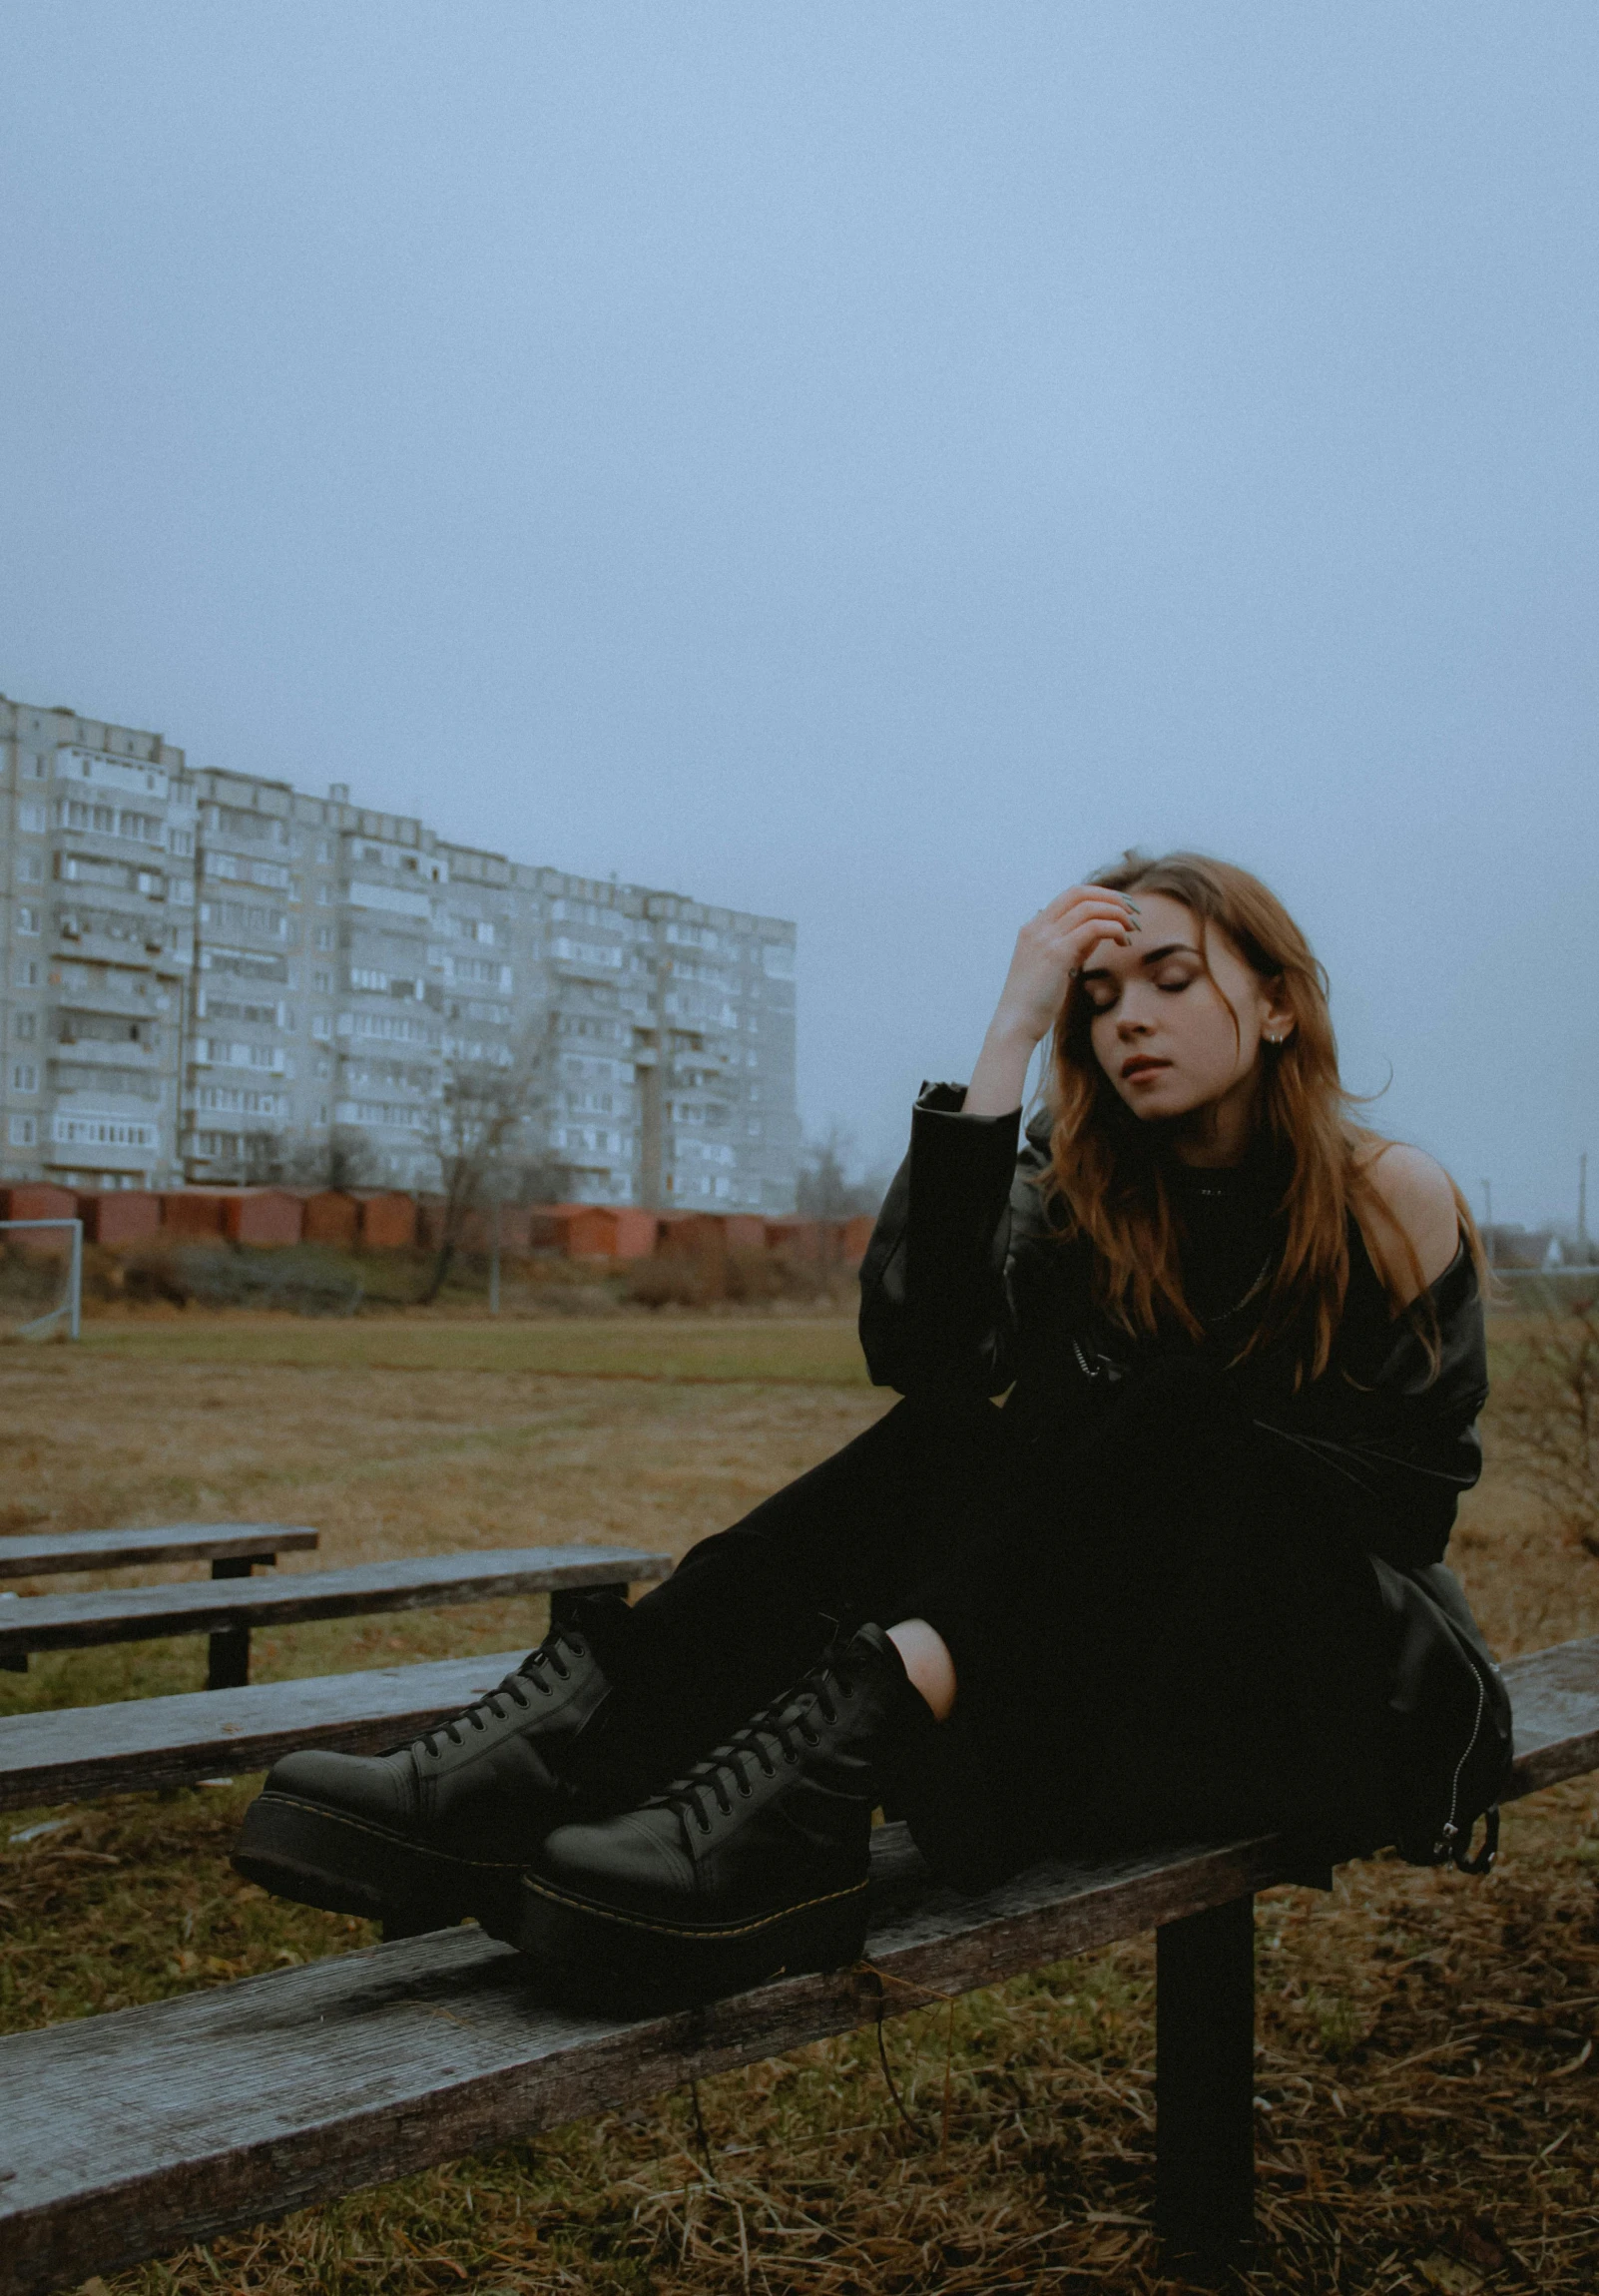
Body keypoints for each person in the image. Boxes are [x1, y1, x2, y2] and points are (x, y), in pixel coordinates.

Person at [235, 852, 1488, 2009]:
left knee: (1175, 1418)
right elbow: (931, 1365)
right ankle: (545, 1762)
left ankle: (809, 1797)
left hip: (1305, 1686)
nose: (1129, 1021)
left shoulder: (1388, 1196)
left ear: (1275, 1004)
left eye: (1170, 979)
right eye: (1095, 999)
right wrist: (1006, 1034)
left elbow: (1396, 1506)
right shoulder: (1097, 1190)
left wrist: (1125, 1450)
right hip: (1083, 1663)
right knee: (952, 1444)